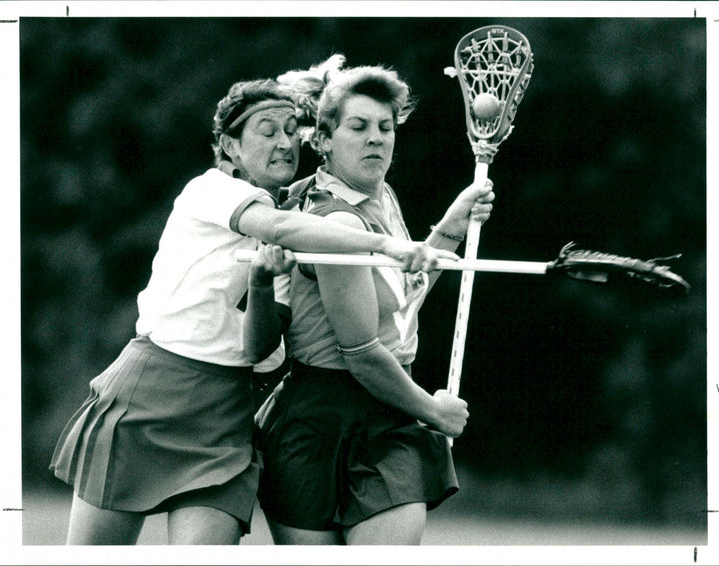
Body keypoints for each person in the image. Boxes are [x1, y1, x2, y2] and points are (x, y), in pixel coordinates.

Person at [49, 77, 456, 545]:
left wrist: (262, 282)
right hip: (152, 393)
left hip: (228, 412)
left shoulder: (294, 215)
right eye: (267, 131)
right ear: (229, 146)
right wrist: (384, 244)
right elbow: (284, 227)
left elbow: (261, 345)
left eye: (291, 131)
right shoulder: (212, 190)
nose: (285, 143)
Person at [250, 57, 495, 545]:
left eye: (386, 127)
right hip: (318, 418)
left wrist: (450, 226)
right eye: (358, 126)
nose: (376, 138)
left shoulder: (383, 200)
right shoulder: (336, 222)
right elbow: (361, 353)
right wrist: (432, 410)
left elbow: (398, 305)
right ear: (322, 140)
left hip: (386, 417)